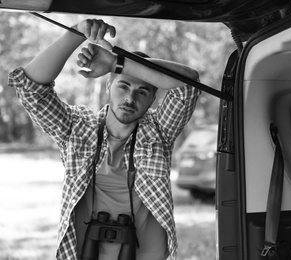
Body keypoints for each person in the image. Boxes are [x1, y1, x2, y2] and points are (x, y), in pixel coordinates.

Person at [8, 19, 200, 260]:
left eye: (142, 92)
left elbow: (189, 84)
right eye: (124, 86)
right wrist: (77, 32)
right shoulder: (77, 128)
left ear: (152, 99)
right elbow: (30, 88)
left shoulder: (159, 131)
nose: (130, 98)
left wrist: (116, 62)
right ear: (109, 84)